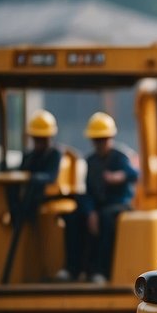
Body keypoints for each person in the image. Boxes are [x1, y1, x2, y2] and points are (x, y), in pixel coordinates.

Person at [57, 112, 139, 284]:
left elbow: (134, 174)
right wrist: (90, 212)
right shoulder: (91, 161)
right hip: (98, 207)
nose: (100, 143)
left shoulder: (121, 156)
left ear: (111, 137)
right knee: (73, 216)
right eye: (97, 140)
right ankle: (72, 269)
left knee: (106, 219)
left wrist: (119, 176)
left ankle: (101, 271)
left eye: (103, 139)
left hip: (119, 205)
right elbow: (87, 192)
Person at [11, 110, 64, 225]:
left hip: (43, 196)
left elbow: (51, 176)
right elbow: (21, 173)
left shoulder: (55, 154)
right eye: (37, 138)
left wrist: (33, 178)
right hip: (27, 198)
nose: (39, 142)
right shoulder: (29, 156)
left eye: (43, 138)